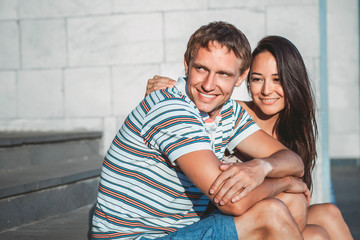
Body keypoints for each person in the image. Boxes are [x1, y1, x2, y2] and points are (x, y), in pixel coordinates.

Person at [92, 21, 308, 239]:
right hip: (136, 237)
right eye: (201, 68)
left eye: (223, 74)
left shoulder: (229, 111)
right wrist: (285, 182)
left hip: (181, 230)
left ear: (240, 77)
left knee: (293, 201)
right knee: (271, 212)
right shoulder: (172, 109)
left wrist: (262, 166)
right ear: (187, 64)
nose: (208, 84)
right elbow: (233, 203)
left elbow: (293, 161)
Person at [146, 35, 353, 239]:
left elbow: (295, 170)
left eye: (277, 80)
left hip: (266, 208)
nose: (266, 90)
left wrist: (265, 168)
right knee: (313, 230)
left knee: (329, 214)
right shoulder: (234, 114)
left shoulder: (294, 128)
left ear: (293, 81)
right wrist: (168, 88)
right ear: (246, 80)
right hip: (225, 213)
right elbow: (199, 101)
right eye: (257, 79)